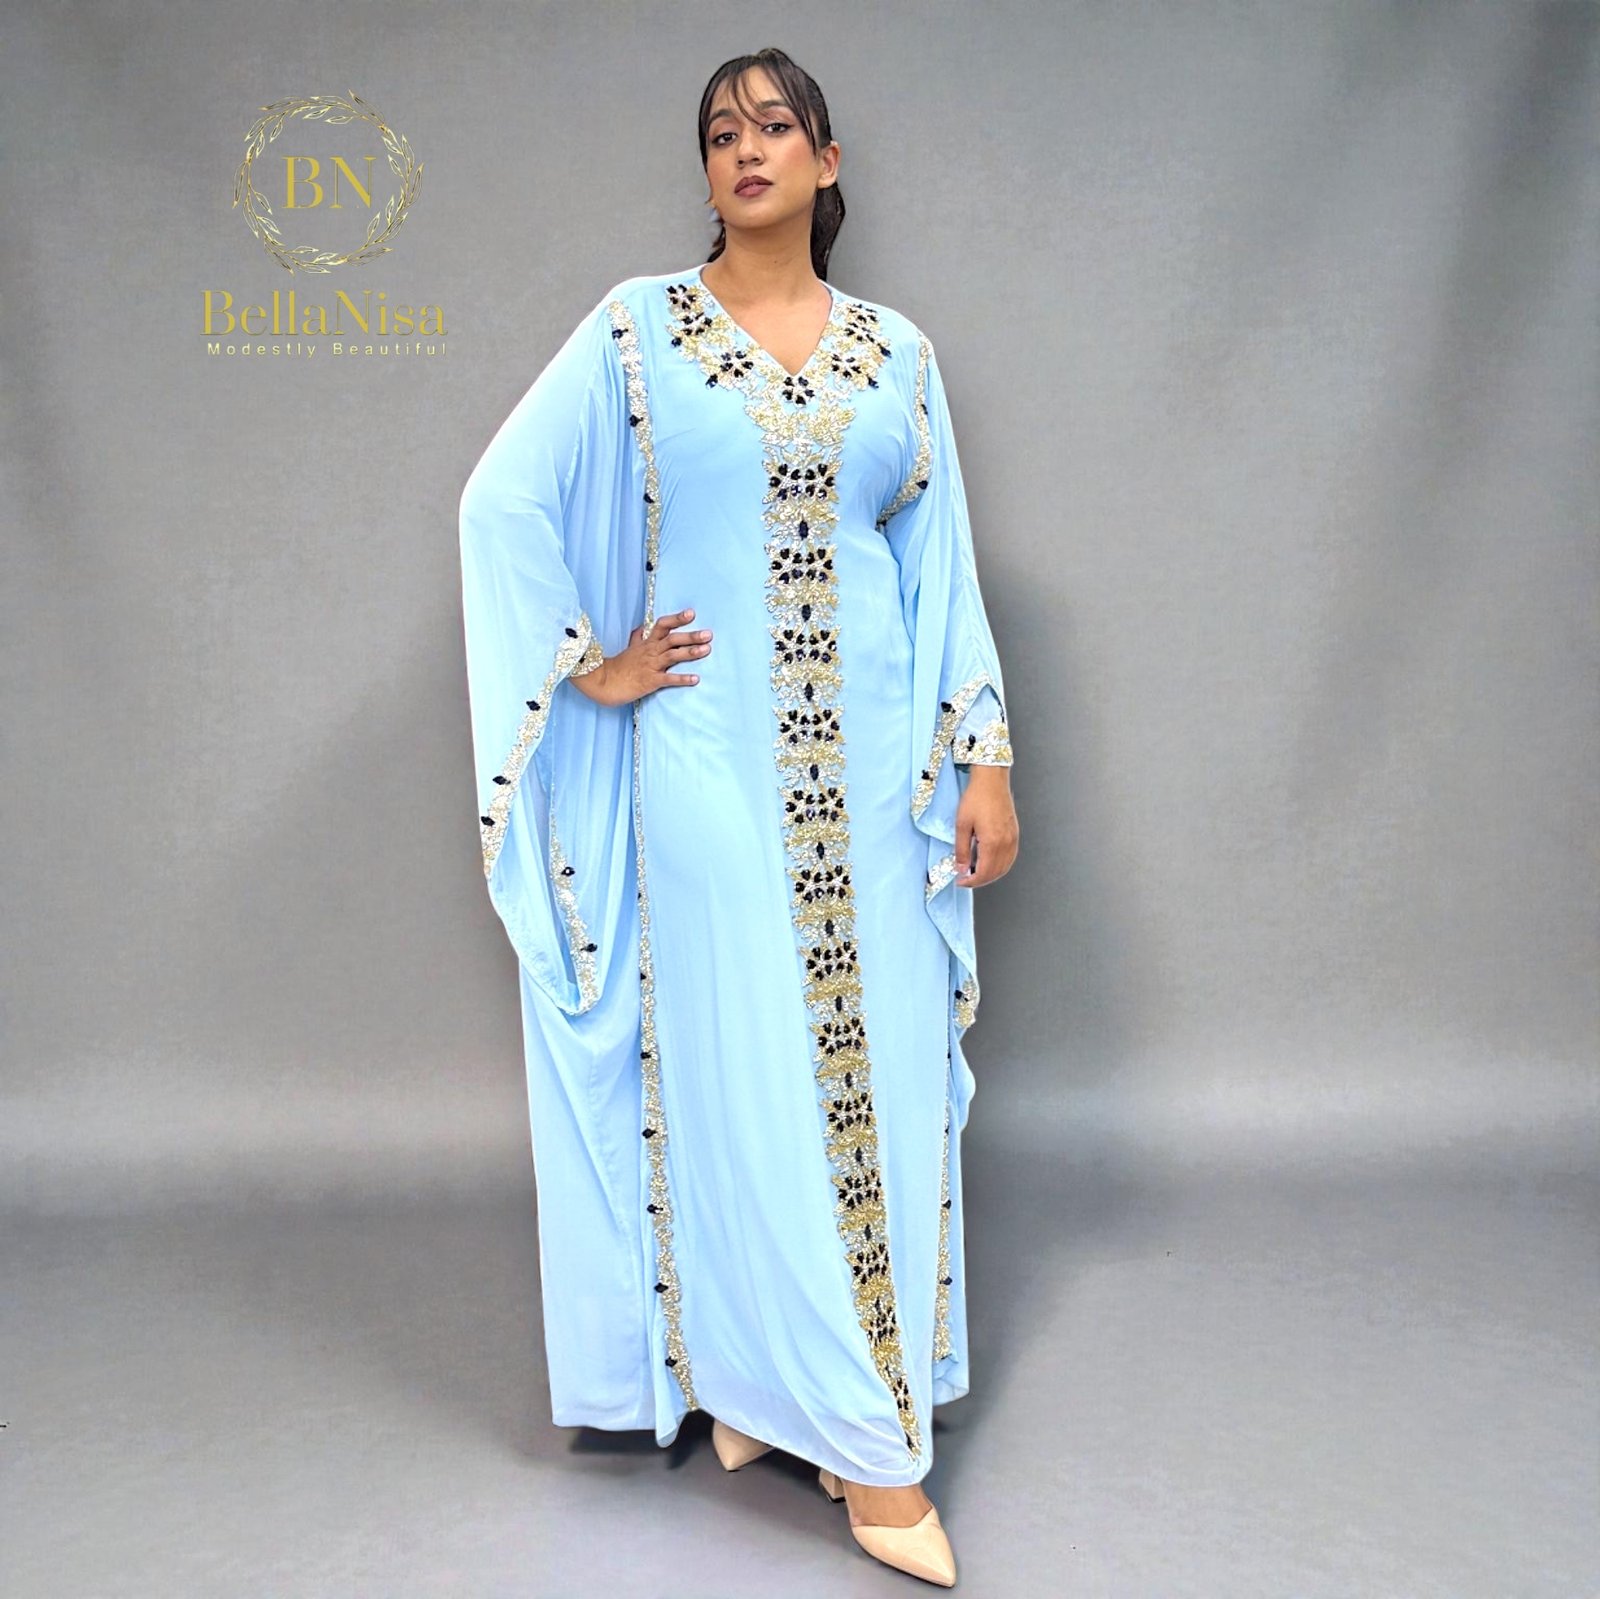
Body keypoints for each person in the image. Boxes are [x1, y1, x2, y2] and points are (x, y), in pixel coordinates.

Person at [457, 45, 1019, 1588]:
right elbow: (501, 504)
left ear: (828, 162)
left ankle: (771, 1395)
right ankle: (869, 1448)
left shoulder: (898, 357)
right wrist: (593, 665)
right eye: (721, 132)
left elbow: (941, 564)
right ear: (707, 170)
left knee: (877, 1081)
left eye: (776, 126)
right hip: (707, 773)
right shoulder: (638, 334)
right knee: (748, 1077)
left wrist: (983, 758)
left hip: (880, 787)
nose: (746, 148)